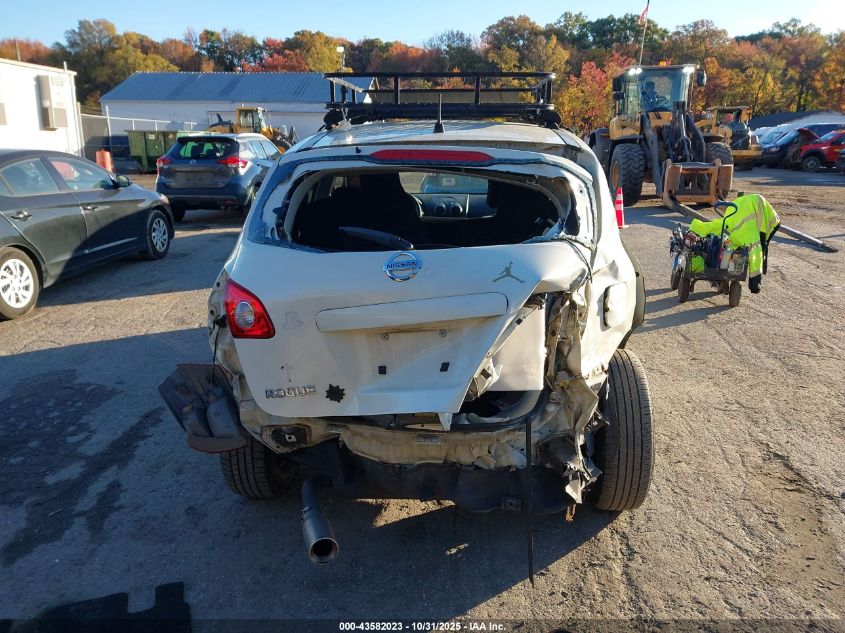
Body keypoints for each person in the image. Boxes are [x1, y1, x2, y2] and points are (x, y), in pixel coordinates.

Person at [688, 193, 781, 293]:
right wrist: (755, 284)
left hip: (738, 224)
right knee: (753, 252)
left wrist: (695, 228)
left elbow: (719, 225)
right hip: (749, 229)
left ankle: (727, 273)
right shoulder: (760, 208)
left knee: (728, 241)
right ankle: (750, 283)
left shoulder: (740, 204)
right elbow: (763, 239)